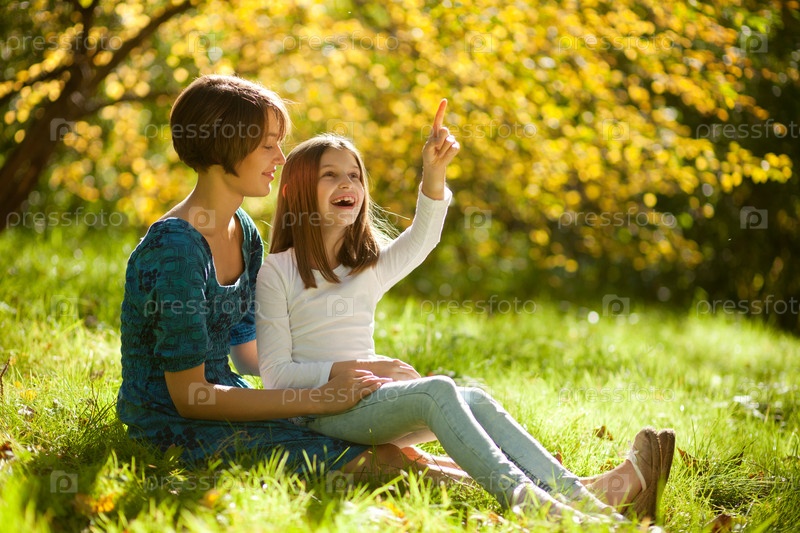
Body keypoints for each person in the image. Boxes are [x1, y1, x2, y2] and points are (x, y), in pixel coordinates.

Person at [256, 100, 674, 523]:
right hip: (321, 414)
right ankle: (532, 504)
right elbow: (276, 376)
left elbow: (422, 238)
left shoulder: (366, 265)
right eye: (330, 175)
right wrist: (361, 368)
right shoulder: (278, 272)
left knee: (473, 398)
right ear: (296, 190)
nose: (347, 183)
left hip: (370, 403)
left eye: (354, 175)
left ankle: (585, 503)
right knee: (437, 390)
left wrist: (433, 171)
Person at [116, 74, 465, 487]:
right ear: (225, 143)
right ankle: (503, 486)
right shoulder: (175, 249)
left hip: (228, 395)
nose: (280, 158)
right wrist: (319, 397)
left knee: (385, 445)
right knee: (379, 459)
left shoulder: (243, 232)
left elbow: (250, 357)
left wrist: (351, 375)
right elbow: (191, 398)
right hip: (170, 423)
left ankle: (506, 472)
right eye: (268, 145)